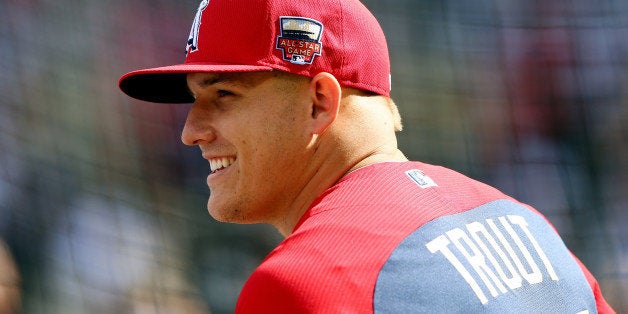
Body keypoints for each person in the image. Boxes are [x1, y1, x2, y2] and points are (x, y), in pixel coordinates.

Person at [119, 0, 615, 312]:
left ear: (319, 102)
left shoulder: (300, 283)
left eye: (223, 94)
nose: (190, 131)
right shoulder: (525, 225)